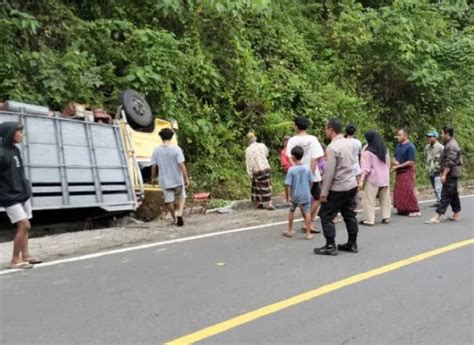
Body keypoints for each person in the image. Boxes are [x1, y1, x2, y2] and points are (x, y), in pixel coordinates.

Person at [314, 118, 359, 256]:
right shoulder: (350, 143)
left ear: (331, 129)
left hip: (338, 187)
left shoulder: (332, 148)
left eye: (326, 128)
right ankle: (352, 243)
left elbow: (329, 172)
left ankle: (330, 245)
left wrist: (324, 193)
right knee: (349, 214)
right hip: (351, 184)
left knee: (326, 215)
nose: (325, 131)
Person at [0, 122, 42, 269]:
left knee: (24, 227)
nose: (22, 134)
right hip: (9, 196)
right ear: (11, 133)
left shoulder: (15, 150)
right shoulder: (2, 153)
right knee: (24, 225)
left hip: (22, 193)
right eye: (19, 132)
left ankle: (26, 255)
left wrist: (26, 187)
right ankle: (14, 260)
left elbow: (19, 172)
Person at [286, 116, 324, 233]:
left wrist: (295, 169)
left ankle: (306, 221)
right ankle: (309, 221)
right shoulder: (313, 139)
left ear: (296, 126)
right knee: (317, 198)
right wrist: (310, 175)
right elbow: (315, 159)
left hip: (297, 175)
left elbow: (289, 157)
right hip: (312, 175)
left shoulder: (292, 140)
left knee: (300, 200)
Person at [151, 128, 190, 226]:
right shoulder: (176, 149)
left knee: (169, 201)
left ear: (161, 137)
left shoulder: (156, 150)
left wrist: (152, 178)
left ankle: (174, 218)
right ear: (171, 137)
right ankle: (179, 212)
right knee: (182, 196)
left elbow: (154, 166)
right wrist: (186, 178)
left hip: (164, 181)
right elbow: (181, 164)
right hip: (177, 179)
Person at [426, 127, 462, 224]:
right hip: (452, 173)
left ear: (447, 134)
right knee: (453, 194)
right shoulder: (449, 144)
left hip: (451, 173)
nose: (441, 135)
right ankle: (456, 214)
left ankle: (437, 216)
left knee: (445, 194)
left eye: (442, 133)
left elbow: (450, 162)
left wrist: (444, 174)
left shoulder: (452, 145)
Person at [358, 131, 391, 226]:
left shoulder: (368, 151)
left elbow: (366, 168)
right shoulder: (384, 149)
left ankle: (369, 219)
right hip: (385, 177)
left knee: (368, 199)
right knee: (385, 198)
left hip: (374, 179)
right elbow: (388, 164)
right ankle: (386, 217)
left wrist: (361, 181)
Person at [283, 146, 314, 240]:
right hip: (305, 194)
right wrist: (308, 190)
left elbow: (288, 184)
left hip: (295, 194)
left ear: (293, 156)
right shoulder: (307, 168)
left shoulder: (291, 169)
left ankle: (289, 230)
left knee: (292, 210)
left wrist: (288, 197)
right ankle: (308, 233)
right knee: (307, 212)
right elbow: (311, 181)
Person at [392, 128, 421, 217]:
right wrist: (394, 161)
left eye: (400, 135)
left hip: (407, 171)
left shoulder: (410, 147)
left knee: (408, 190)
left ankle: (414, 209)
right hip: (399, 171)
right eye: (398, 135)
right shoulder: (398, 145)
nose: (398, 137)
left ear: (405, 136)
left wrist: (398, 166)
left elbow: (411, 162)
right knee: (399, 190)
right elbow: (395, 156)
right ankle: (402, 209)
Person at [245, 132, 276, 210]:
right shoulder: (262, 146)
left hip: (256, 170)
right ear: (255, 138)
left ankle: (260, 202)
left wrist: (250, 173)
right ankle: (270, 203)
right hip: (265, 167)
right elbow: (266, 154)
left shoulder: (248, 150)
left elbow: (249, 162)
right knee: (267, 185)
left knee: (258, 187)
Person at [424, 130, 444, 207]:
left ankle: (441, 202)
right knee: (434, 187)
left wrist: (443, 171)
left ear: (435, 137)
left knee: (438, 187)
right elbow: (427, 158)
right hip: (430, 170)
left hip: (438, 170)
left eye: (430, 137)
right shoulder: (427, 147)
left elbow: (445, 159)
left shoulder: (441, 147)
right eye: (428, 136)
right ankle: (438, 201)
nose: (428, 138)